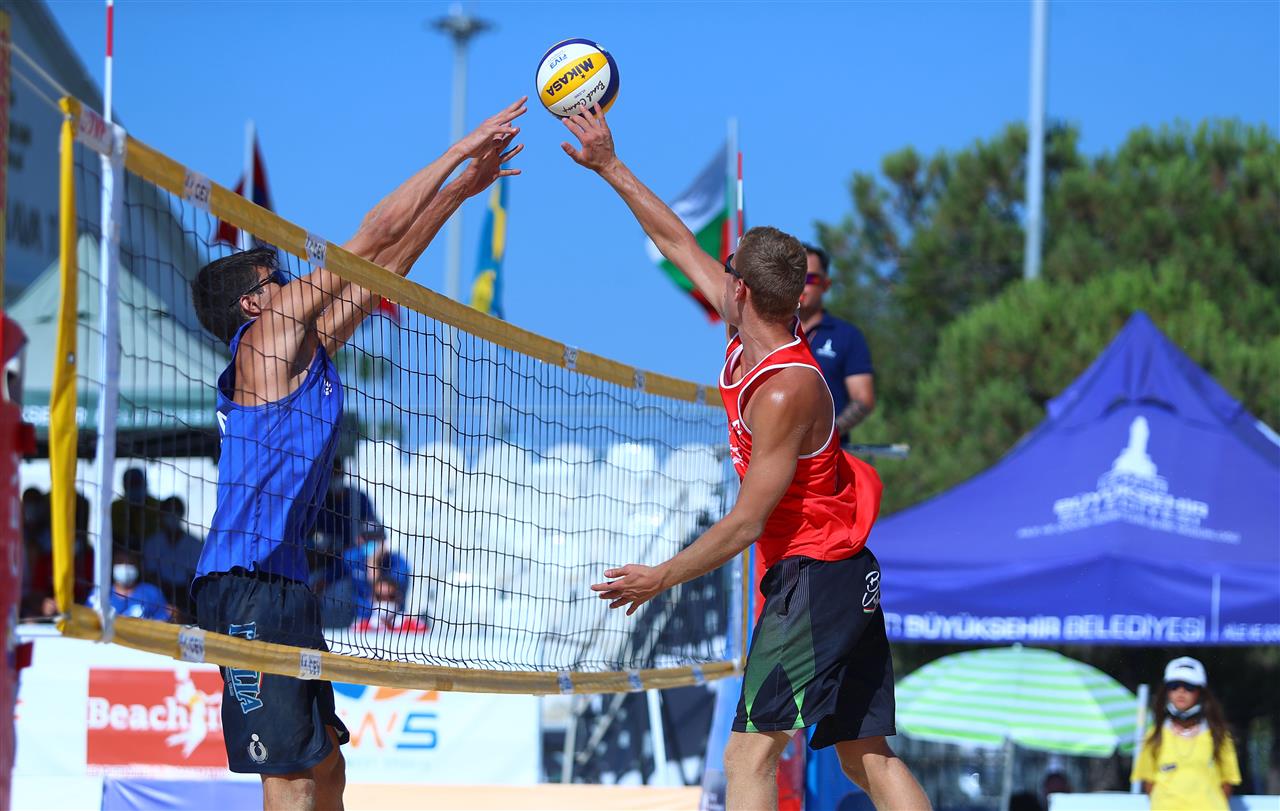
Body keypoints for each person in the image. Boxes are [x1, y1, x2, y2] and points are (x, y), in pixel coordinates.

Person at [564, 105, 928, 811]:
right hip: (833, 570)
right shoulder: (746, 335)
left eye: (726, 271)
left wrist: (660, 576)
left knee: (748, 754)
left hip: (815, 577)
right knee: (866, 756)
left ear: (741, 290)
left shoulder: (787, 388)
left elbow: (747, 521)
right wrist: (609, 165)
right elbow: (674, 238)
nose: (717, 276)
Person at [189, 97, 525, 810]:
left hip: (283, 582)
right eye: (276, 279)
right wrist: (459, 148)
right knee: (288, 777)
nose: (291, 282)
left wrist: (462, 192)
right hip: (244, 583)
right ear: (253, 305)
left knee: (327, 769)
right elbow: (371, 235)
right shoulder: (264, 341)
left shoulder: (298, 352)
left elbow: (385, 270)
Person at [1131, 656, 1241, 811]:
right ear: (1166, 691)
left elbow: (1228, 781)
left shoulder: (1219, 735)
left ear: (1200, 692)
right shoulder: (1154, 735)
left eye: (1189, 686)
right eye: (1174, 686)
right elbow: (1149, 782)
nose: (1181, 691)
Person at [798, 245, 875, 443]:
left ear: (826, 284)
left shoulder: (847, 336)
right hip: (777, 454)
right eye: (795, 277)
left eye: (810, 279)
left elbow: (863, 399)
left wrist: (827, 435)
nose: (801, 285)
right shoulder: (773, 332)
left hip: (830, 456)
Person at [141, 496, 203, 618]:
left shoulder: (195, 544)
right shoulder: (152, 543)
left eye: (176, 511)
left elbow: (195, 576)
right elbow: (150, 574)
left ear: (182, 513)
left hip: (187, 595)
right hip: (160, 593)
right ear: (161, 514)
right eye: (168, 511)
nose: (172, 515)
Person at [89, 549, 171, 620]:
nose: (125, 567)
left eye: (130, 563)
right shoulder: (99, 593)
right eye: (120, 562)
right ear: (112, 565)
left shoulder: (152, 593)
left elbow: (163, 621)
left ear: (138, 566)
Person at [111, 467, 161, 557]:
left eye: (137, 483)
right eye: (131, 484)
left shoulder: (156, 506)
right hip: (122, 552)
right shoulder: (115, 507)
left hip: (152, 553)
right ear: (124, 486)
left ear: (145, 484)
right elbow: (113, 534)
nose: (134, 487)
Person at [352, 577, 427, 634]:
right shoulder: (360, 628)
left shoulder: (415, 627)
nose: (385, 601)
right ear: (372, 599)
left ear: (399, 598)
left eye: (391, 596)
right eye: (379, 597)